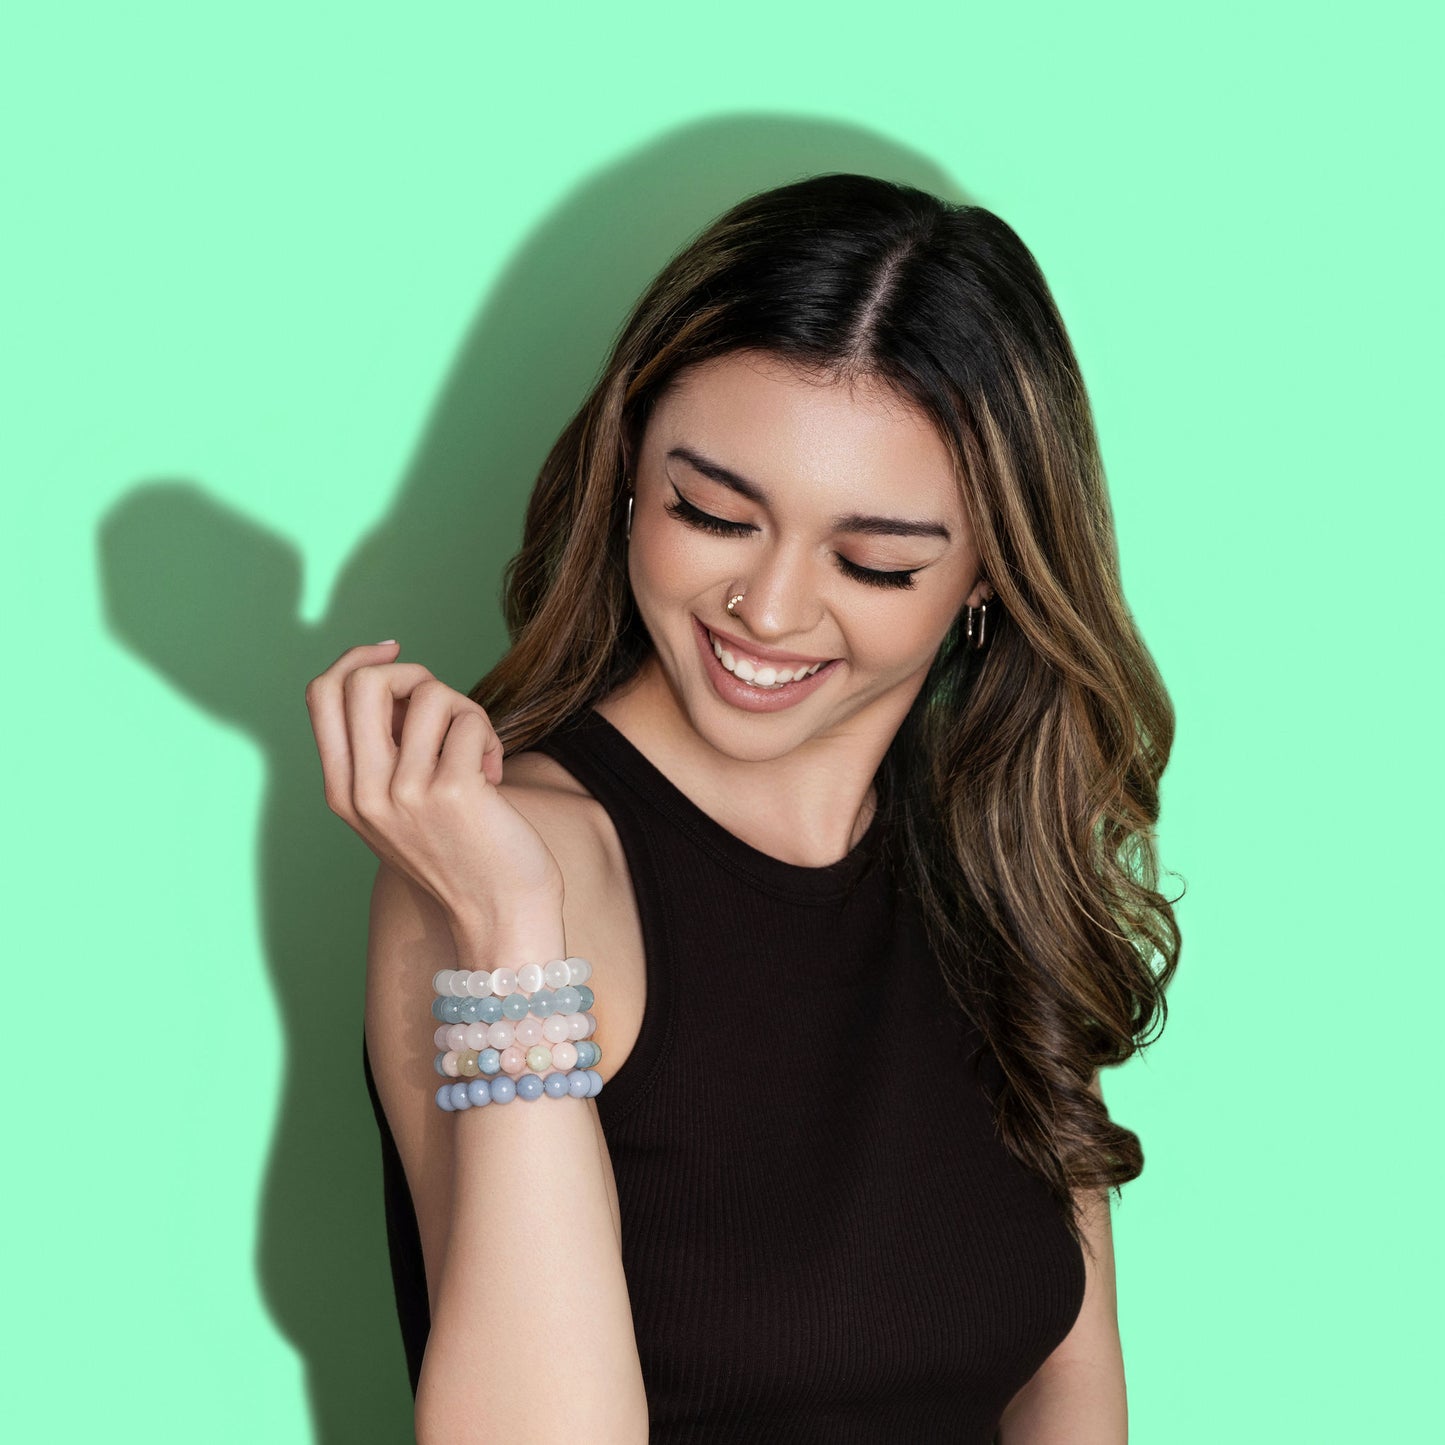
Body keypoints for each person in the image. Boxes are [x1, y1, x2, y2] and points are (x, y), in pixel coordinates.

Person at [305, 172, 1179, 1444]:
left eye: (872, 560)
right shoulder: (515, 871)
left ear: (989, 569)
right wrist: (506, 928)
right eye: (710, 512)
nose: (765, 611)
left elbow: (1070, 1395)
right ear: (625, 475)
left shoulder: (1003, 877)